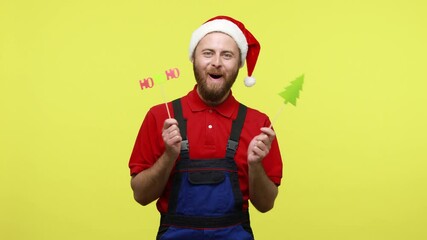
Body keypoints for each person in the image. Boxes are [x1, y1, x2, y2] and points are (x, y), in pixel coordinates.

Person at [129, 15, 283, 240]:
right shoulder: (161, 116)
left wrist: (255, 164)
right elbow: (141, 196)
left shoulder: (258, 123)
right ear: (194, 58)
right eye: (208, 53)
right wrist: (169, 155)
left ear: (239, 64)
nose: (217, 62)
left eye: (227, 55)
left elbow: (266, 204)